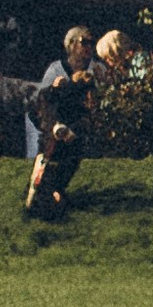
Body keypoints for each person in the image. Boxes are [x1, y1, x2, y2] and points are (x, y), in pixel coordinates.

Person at [24, 23, 95, 222]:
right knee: (50, 156)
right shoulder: (56, 69)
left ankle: (55, 192)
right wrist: (55, 124)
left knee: (72, 156)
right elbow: (42, 103)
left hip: (76, 123)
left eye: (91, 43)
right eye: (84, 42)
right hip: (53, 123)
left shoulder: (94, 69)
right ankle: (44, 195)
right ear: (71, 45)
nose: (89, 47)